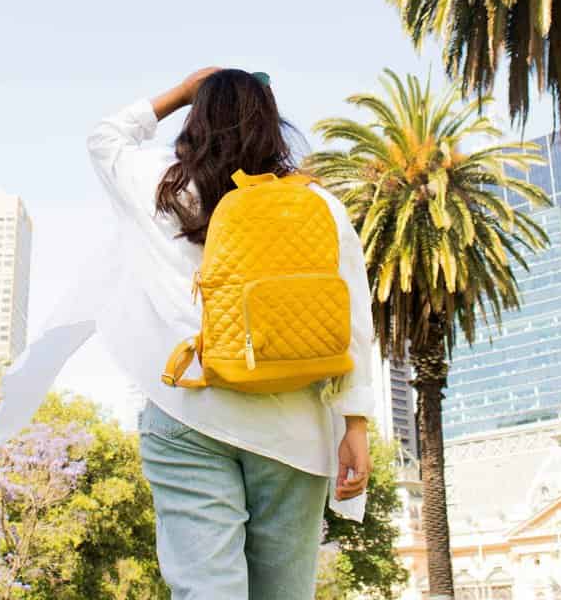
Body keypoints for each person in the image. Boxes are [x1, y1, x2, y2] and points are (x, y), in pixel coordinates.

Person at [84, 67, 375, 600]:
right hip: (293, 424)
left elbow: (105, 137)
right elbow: (355, 321)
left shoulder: (165, 190)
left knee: (205, 590)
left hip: (187, 412)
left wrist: (182, 90)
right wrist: (355, 424)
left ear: (196, 121)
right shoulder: (318, 206)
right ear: (272, 124)